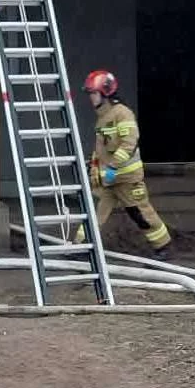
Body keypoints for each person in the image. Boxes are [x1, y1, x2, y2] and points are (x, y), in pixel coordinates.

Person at [73, 70, 174, 259]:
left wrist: (113, 166)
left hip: (126, 178)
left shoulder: (122, 114)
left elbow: (130, 141)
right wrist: (94, 165)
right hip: (107, 179)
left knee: (140, 213)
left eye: (94, 94)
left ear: (106, 93)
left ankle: (163, 246)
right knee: (93, 210)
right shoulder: (103, 116)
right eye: (90, 94)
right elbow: (102, 148)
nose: (91, 98)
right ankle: (80, 247)